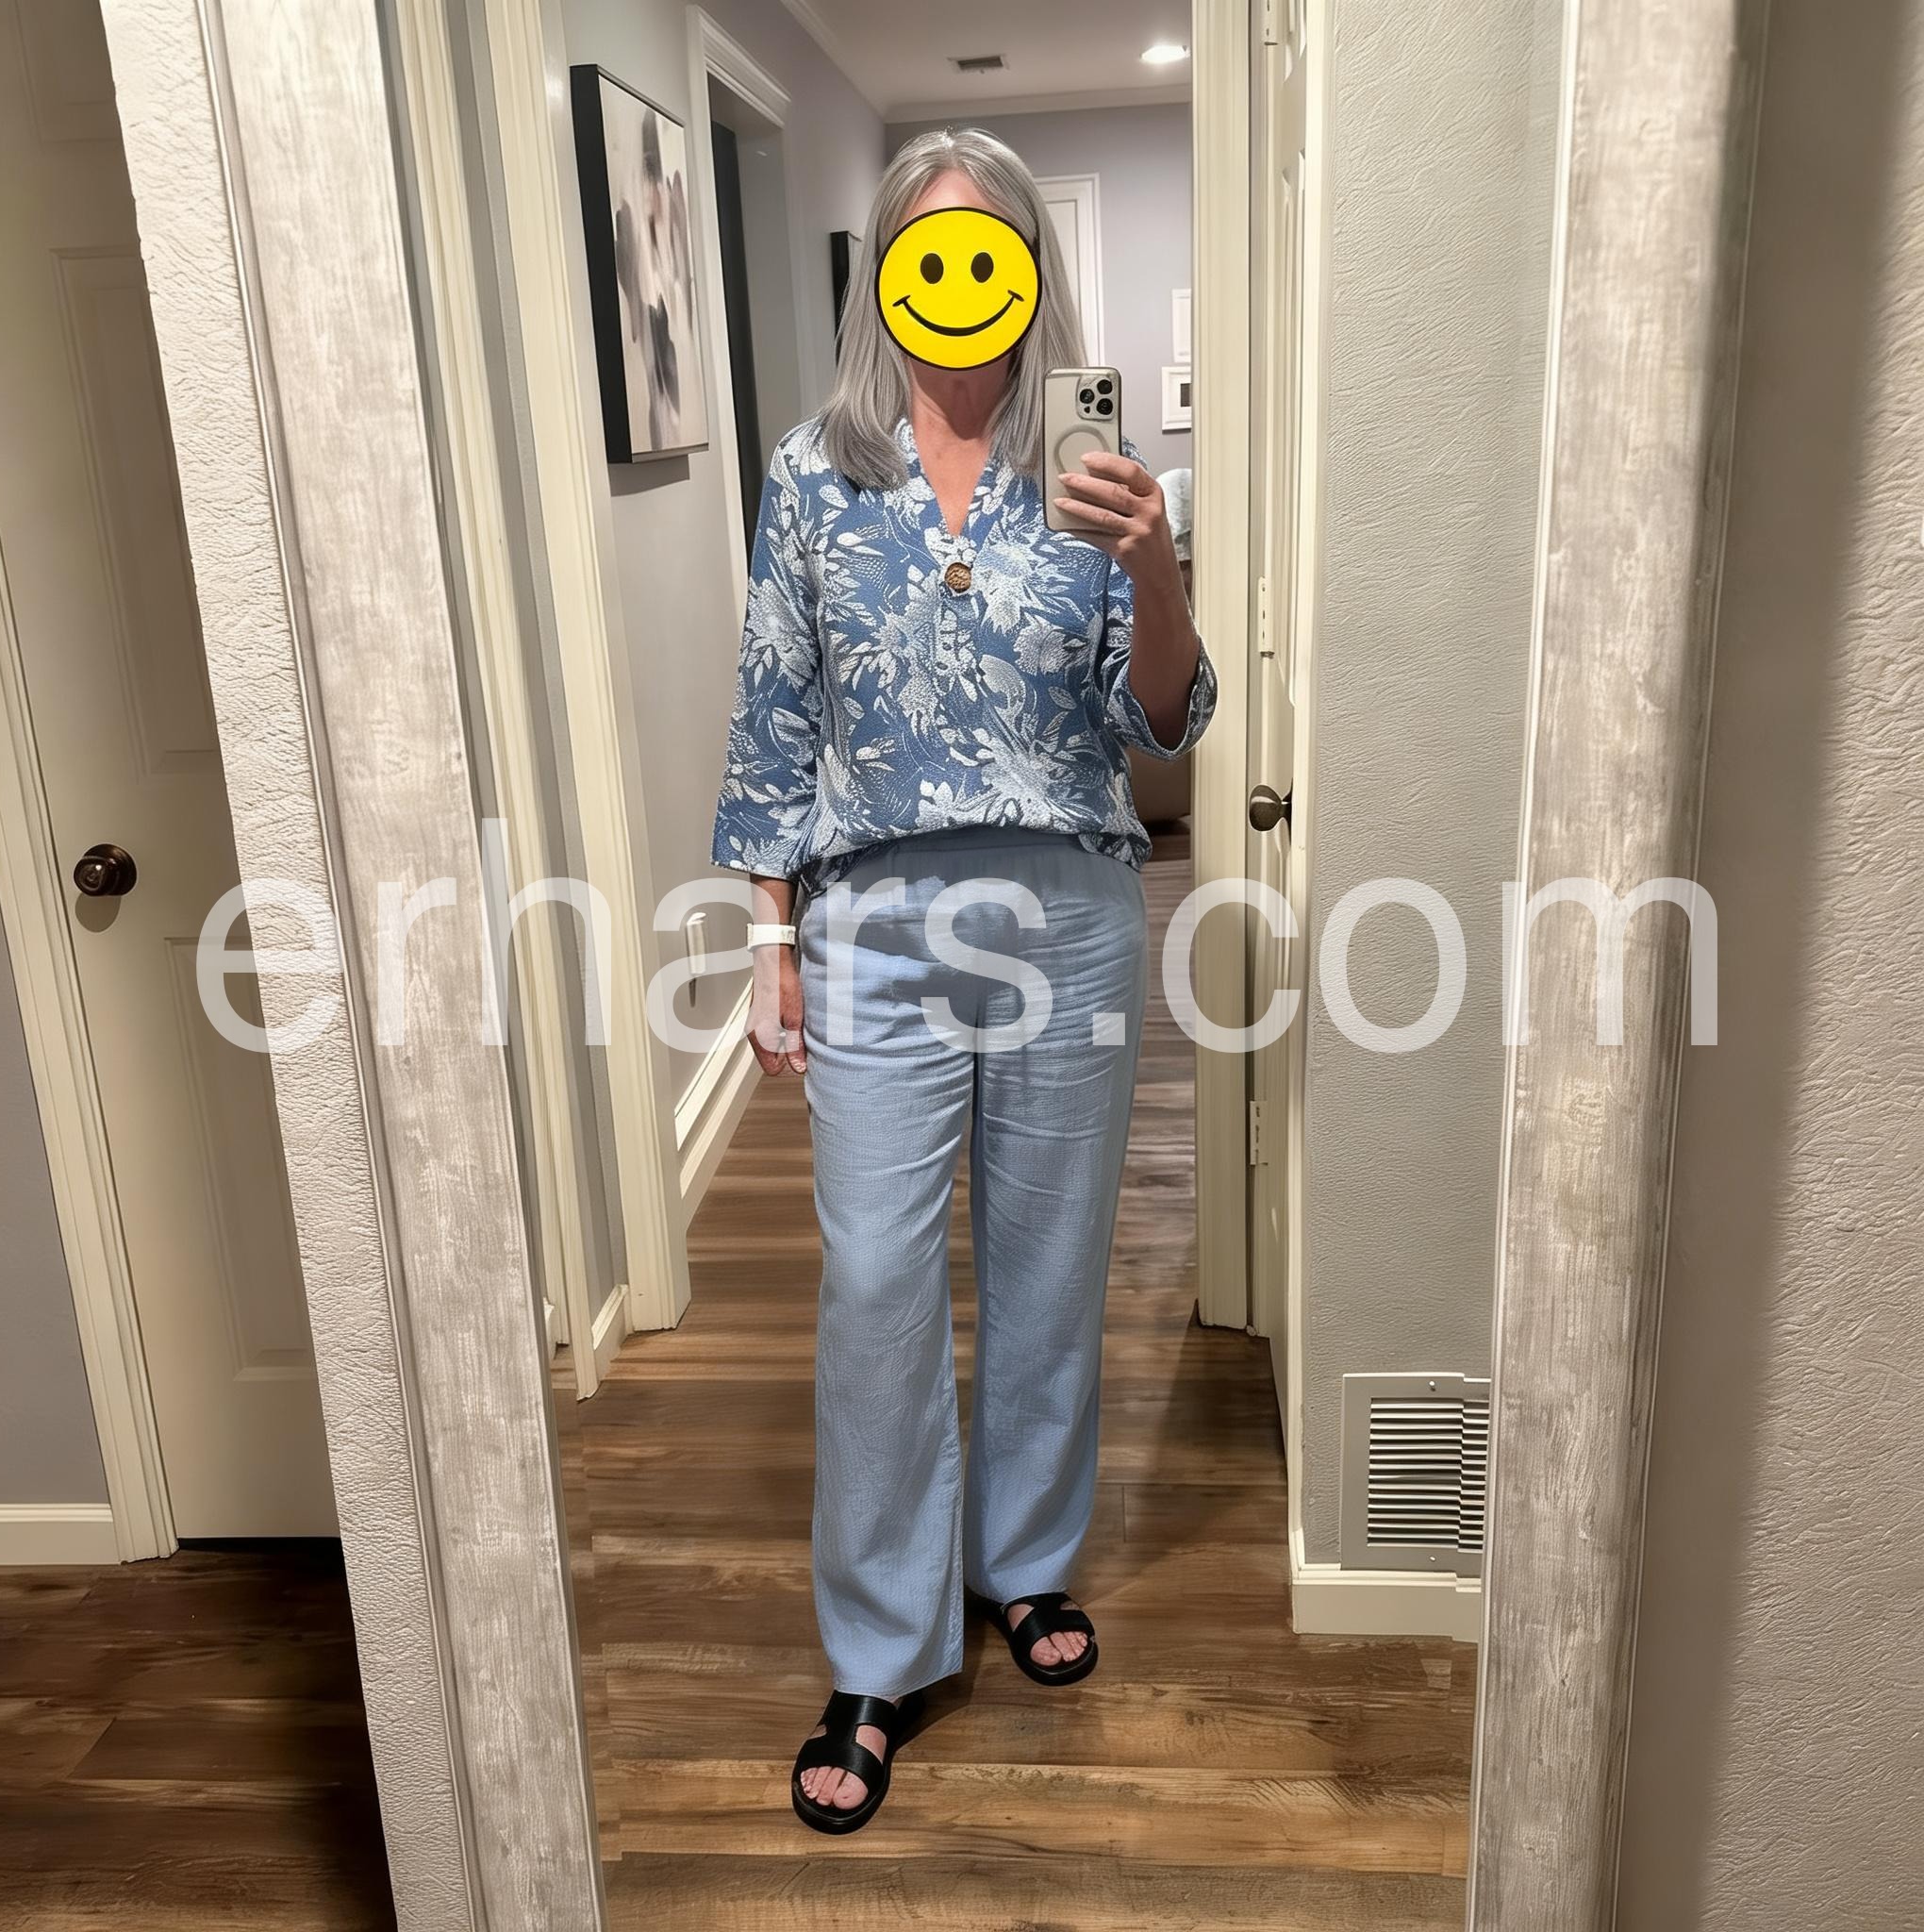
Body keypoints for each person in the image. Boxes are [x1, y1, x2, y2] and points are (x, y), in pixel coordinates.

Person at [711, 127, 1217, 1836]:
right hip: (870, 920)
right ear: (886, 279)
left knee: (1050, 1259)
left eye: (987, 250)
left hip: (1069, 909)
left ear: (1027, 273)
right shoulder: (813, 474)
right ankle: (880, 1644)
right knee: (874, 1284)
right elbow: (774, 711)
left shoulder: (1095, 466)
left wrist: (1154, 561)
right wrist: (769, 941)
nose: (956, 282)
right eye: (925, 254)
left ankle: (1024, 1558)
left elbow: (1162, 720)